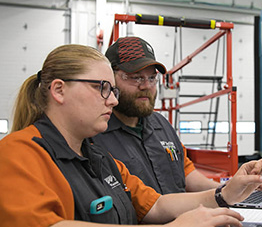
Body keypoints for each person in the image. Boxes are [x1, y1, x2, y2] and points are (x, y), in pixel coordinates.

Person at [0, 44, 262, 227]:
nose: (112, 100)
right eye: (102, 88)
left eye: (114, 91)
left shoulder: (100, 159)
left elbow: (156, 204)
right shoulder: (18, 153)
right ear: (59, 90)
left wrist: (225, 193)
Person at [92, 36, 221, 194]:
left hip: (185, 216)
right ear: (109, 79)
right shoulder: (94, 134)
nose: (146, 85)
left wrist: (230, 190)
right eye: (136, 77)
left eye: (152, 78)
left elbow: (187, 173)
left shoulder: (161, 124)